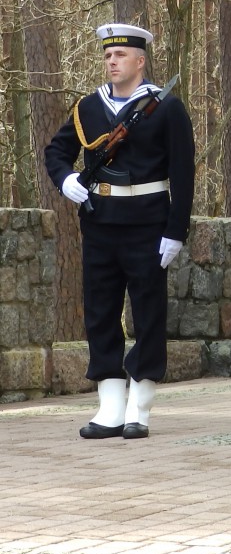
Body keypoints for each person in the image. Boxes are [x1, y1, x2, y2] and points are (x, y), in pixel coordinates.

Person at [44, 23, 195, 440]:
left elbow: (183, 173)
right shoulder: (89, 107)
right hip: (100, 222)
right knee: (100, 312)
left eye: (121, 55)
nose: (112, 61)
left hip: (148, 222)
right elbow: (57, 151)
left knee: (147, 312)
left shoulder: (166, 108)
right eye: (108, 55)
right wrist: (66, 180)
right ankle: (109, 406)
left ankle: (139, 405)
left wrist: (176, 230)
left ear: (140, 61)